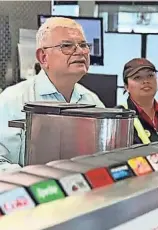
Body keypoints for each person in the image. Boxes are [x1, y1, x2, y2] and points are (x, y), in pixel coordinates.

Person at [0, 17, 104, 165]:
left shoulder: (92, 101)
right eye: (67, 45)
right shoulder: (11, 101)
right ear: (43, 57)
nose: (80, 51)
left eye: (83, 45)